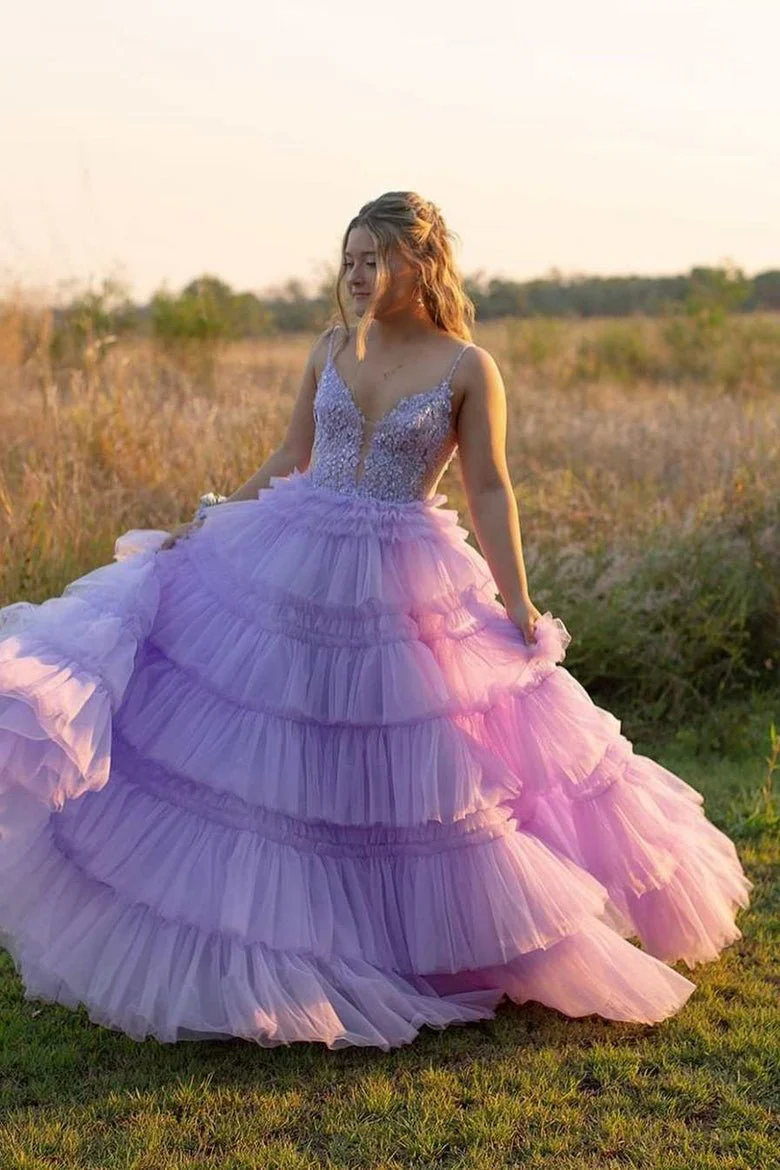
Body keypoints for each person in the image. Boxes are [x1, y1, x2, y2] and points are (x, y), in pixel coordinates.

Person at [0, 191, 753, 1051]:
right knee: (275, 759)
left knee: (410, 770)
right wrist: (202, 524)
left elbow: (490, 488)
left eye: (374, 260)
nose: (356, 276)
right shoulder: (328, 347)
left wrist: (518, 599)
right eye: (348, 260)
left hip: (402, 575)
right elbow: (291, 457)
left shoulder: (468, 366)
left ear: (418, 265)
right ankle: (290, 934)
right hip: (292, 556)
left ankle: (403, 941)